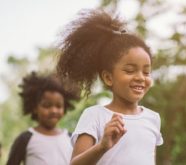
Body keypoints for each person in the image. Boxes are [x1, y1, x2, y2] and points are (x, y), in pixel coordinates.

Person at [57, 9, 163, 165]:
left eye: (146, 72)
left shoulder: (153, 118)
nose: (141, 77)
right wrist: (102, 146)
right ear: (108, 77)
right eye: (130, 70)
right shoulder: (95, 116)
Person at [7, 71, 78, 165]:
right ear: (35, 108)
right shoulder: (25, 139)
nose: (54, 110)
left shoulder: (71, 138)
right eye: (47, 105)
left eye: (59, 106)